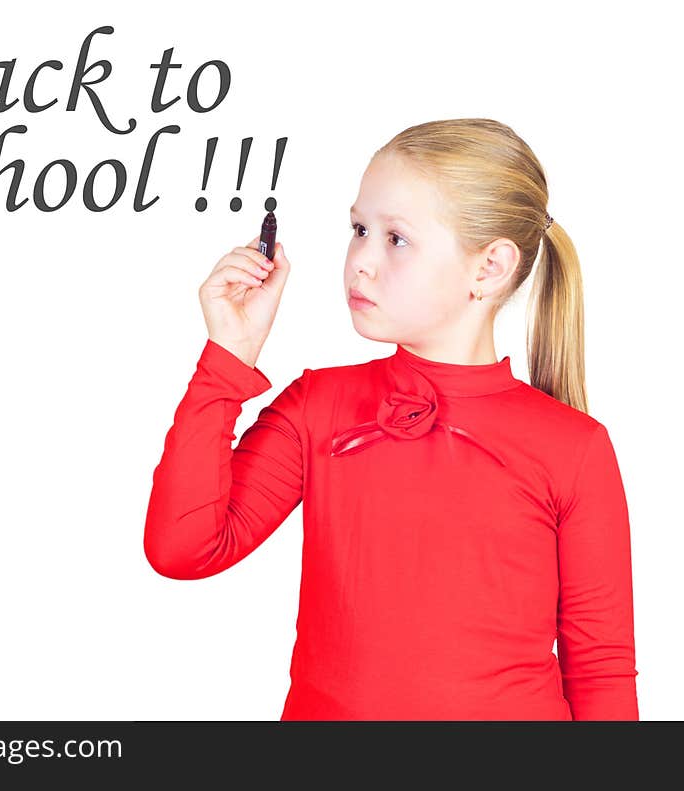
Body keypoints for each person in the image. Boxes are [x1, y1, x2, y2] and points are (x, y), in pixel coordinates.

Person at [143, 118, 639, 721]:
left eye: (396, 239)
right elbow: (182, 548)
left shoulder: (574, 448)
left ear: (489, 268)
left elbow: (600, 673)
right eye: (358, 230)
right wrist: (228, 357)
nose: (361, 262)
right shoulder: (317, 407)